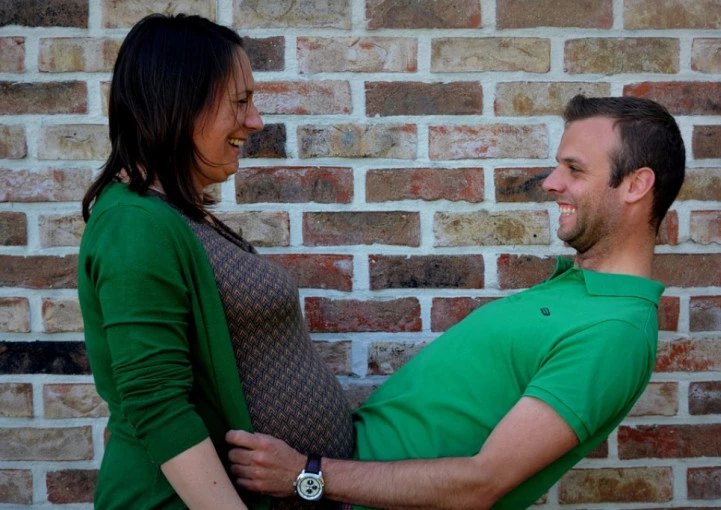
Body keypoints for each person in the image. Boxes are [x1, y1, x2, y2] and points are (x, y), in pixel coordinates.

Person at [225, 94, 687, 509]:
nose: (551, 182)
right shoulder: (579, 289)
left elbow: (481, 484)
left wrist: (305, 475)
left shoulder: (615, 331)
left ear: (636, 185)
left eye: (575, 169)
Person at [78, 13, 354, 509]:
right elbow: (157, 404)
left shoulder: (170, 213)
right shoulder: (133, 225)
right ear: (179, 103)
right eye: (240, 102)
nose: (256, 121)